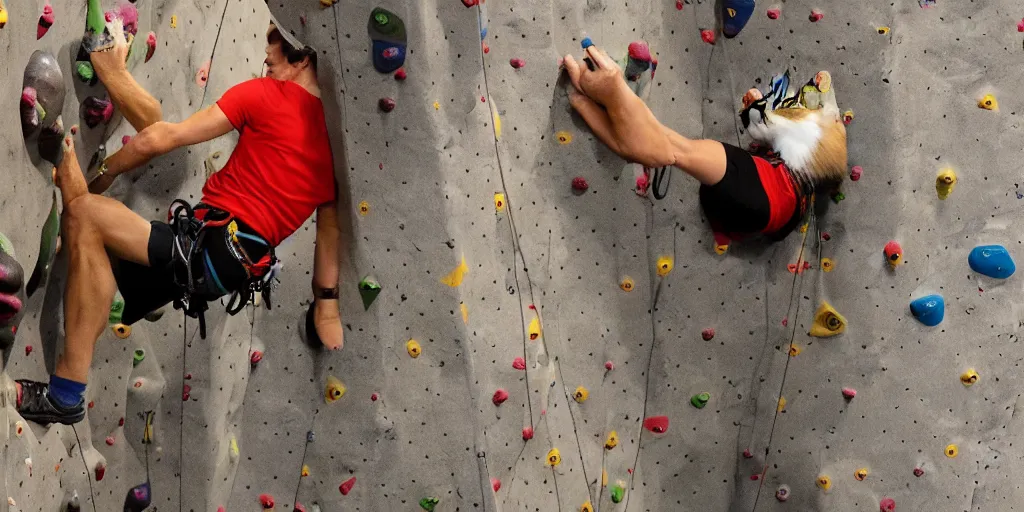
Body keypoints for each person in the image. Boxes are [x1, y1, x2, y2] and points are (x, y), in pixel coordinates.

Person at [12, 21, 346, 426]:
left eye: (273, 40)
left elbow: (161, 138)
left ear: (303, 58)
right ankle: (66, 390)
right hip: (226, 270)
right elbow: (328, 233)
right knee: (100, 254)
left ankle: (65, 397)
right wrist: (326, 308)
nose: (266, 54)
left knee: (84, 214)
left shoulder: (265, 94)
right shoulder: (331, 154)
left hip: (210, 246)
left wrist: (106, 172)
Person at [560, 44, 847, 251]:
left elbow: (763, 127)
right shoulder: (799, 203)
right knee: (665, 148)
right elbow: (773, 234)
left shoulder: (785, 159)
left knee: (671, 147)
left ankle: (610, 88)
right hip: (758, 214)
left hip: (752, 180)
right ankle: (584, 100)